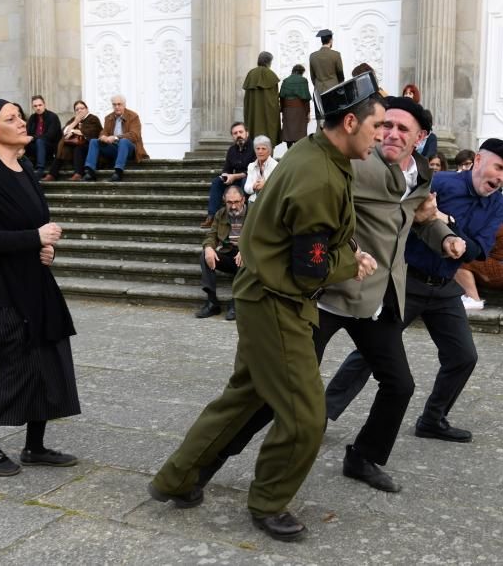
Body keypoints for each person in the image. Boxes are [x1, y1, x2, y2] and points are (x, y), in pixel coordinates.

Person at [148, 73, 383, 543]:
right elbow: (310, 264)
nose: (380, 135)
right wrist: (350, 261)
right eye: (376, 125)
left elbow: (309, 236)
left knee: (246, 397)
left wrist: (341, 249)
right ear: (351, 121)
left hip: (264, 293)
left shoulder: (316, 153)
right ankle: (269, 501)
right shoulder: (318, 174)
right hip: (279, 302)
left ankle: (180, 477)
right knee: (305, 416)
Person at [325, 138, 503, 445]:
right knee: (368, 353)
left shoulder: (498, 203)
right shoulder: (438, 182)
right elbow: (408, 221)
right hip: (408, 282)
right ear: (478, 160)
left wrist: (447, 222)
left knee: (463, 356)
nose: (500, 177)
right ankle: (322, 414)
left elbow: (479, 250)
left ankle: (432, 419)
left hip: (444, 288)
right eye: (498, 167)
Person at [0, 98, 81, 477]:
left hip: (33, 280)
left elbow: (34, 224)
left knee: (45, 358)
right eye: (11, 118)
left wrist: (45, 248)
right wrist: (34, 237)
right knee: (1, 365)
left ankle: (35, 445)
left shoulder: (25, 167)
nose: (22, 122)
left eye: (21, 116)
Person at [195, 184, 247, 321]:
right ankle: (212, 303)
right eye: (230, 202)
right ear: (224, 200)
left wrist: (246, 250)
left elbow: (260, 237)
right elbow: (211, 235)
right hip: (229, 254)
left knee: (248, 258)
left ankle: (236, 303)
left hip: (245, 255)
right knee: (204, 255)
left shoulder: (253, 213)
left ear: (243, 200)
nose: (233, 206)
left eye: (236, 202)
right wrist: (208, 248)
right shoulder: (220, 214)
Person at [82, 95, 149, 182]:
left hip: (130, 149)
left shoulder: (133, 116)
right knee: (94, 141)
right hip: (114, 148)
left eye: (119, 104)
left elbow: (134, 135)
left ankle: (118, 172)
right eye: (114, 105)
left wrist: (116, 137)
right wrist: (103, 137)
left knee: (123, 141)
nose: (117, 107)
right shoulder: (108, 117)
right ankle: (90, 171)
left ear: (124, 105)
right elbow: (104, 131)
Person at [200, 122, 254, 228]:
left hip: (250, 179)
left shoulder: (254, 148)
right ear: (233, 136)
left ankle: (242, 217)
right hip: (235, 179)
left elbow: (252, 171)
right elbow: (227, 169)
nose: (238, 135)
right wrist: (225, 177)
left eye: (241, 132)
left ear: (247, 133)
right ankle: (212, 217)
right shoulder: (232, 150)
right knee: (217, 181)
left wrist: (234, 176)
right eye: (235, 133)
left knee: (245, 180)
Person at [43, 100, 101, 182]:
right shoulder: (74, 119)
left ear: (87, 109)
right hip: (75, 144)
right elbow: (64, 132)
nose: (80, 110)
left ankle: (78, 173)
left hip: (89, 145)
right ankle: (52, 174)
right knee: (62, 148)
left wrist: (74, 131)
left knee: (78, 148)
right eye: (77, 109)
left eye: (82, 108)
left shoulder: (93, 118)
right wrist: (75, 122)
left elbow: (93, 132)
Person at [242, 52, 281, 147]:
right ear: (269, 62)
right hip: (267, 115)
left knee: (253, 136)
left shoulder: (251, 74)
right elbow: (274, 99)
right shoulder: (271, 75)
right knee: (268, 136)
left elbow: (246, 99)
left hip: (253, 114)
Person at [308, 28, 344, 119]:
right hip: (333, 90)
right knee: (333, 119)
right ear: (331, 40)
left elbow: (312, 76)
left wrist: (317, 84)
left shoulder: (313, 56)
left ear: (321, 41)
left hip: (319, 90)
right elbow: (340, 74)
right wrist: (339, 86)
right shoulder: (336, 55)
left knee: (320, 119)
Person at [27, 95, 62, 177]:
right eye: (35, 106)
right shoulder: (32, 118)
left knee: (40, 141)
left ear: (44, 105)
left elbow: (50, 135)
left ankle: (40, 169)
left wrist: (34, 138)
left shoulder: (53, 117)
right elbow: (28, 133)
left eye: (40, 105)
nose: (38, 108)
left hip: (50, 147)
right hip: (35, 146)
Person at [279, 64, 312, 148]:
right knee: (299, 135)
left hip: (287, 110)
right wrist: (307, 113)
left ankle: (289, 153)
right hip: (299, 110)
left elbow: (281, 98)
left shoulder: (286, 81)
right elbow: (306, 99)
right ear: (301, 72)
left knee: (288, 134)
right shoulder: (303, 80)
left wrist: (282, 111)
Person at [243, 135, 277, 203]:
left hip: (269, 201)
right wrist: (254, 187)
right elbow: (246, 187)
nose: (260, 151)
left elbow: (278, 187)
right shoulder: (251, 166)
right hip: (253, 201)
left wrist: (265, 185)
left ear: (269, 151)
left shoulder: (275, 166)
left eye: (263, 149)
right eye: (257, 148)